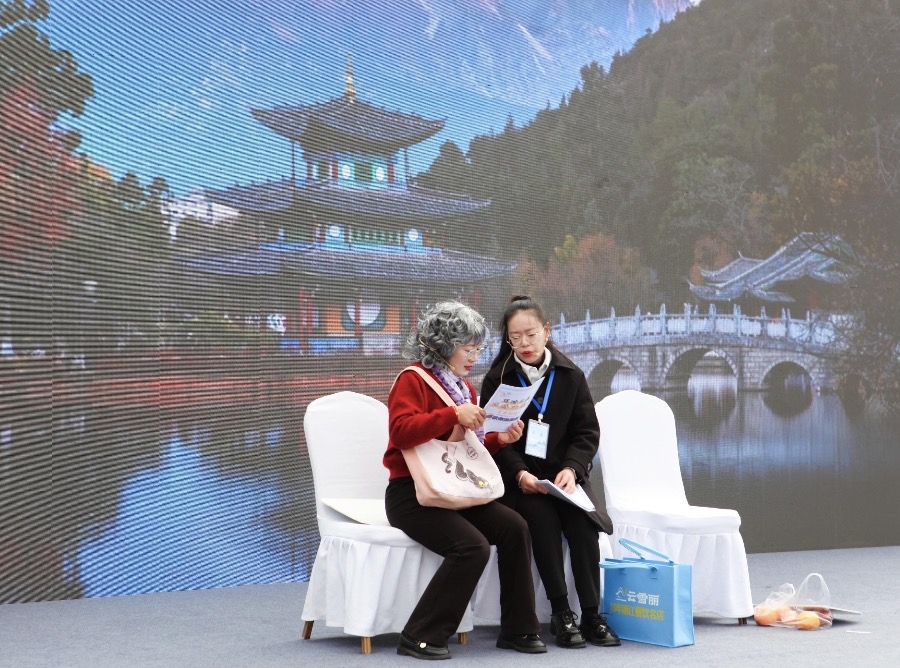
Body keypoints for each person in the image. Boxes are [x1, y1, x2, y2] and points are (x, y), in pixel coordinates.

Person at [384, 300, 547, 660]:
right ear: (443, 345)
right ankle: (419, 635)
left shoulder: (463, 389)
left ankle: (518, 628)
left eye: (477, 348)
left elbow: (467, 447)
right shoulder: (412, 379)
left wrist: (499, 439)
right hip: (413, 495)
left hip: (454, 487)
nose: (474, 356)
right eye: (468, 348)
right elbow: (400, 432)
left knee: (515, 527)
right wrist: (453, 414)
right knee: (472, 546)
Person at [479, 295, 621, 649]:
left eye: (530, 334)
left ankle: (592, 613)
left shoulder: (570, 375)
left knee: (582, 526)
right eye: (515, 337)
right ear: (507, 339)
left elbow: (586, 432)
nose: (524, 344)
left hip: (564, 479)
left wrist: (573, 468)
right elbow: (492, 439)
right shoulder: (498, 379)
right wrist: (519, 474)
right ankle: (561, 613)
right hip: (521, 482)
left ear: (546, 330)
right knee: (542, 521)